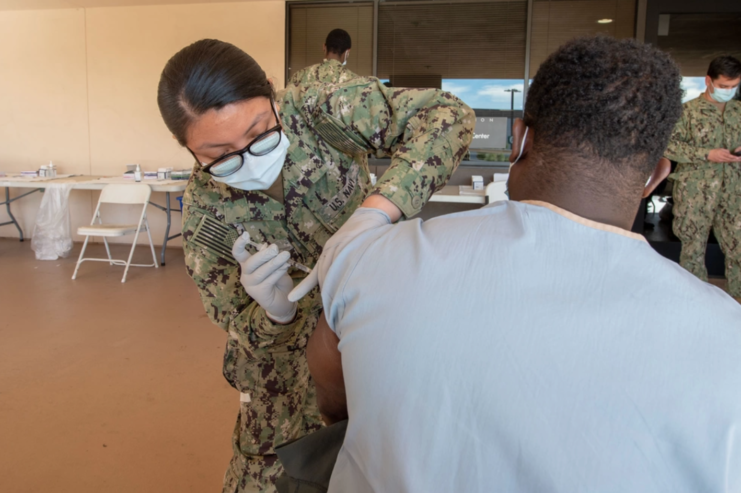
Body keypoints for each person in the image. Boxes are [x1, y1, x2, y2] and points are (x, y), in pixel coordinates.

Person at [307, 36, 741, 492]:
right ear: (656, 174)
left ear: (519, 138)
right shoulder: (727, 338)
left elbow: (335, 401)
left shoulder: (372, 259)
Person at [156, 39, 473, 492]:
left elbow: (448, 118)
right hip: (282, 387)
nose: (247, 158)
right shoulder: (206, 210)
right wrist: (273, 313)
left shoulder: (319, 105)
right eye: (219, 155)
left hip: (372, 341)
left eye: (259, 131)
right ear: (184, 145)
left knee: (384, 469)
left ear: (269, 91)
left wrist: (377, 210)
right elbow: (231, 316)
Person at [664, 56, 741, 299]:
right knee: (693, 252)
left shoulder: (739, 112)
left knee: (738, 248)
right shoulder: (686, 112)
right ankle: (695, 304)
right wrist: (706, 154)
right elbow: (667, 146)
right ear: (709, 81)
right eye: (723, 86)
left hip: (734, 193)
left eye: (733, 86)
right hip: (695, 192)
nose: (728, 91)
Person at [287, 29, 356, 88]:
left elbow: (283, 101)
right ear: (347, 52)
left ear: (324, 47)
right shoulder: (355, 82)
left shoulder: (299, 76)